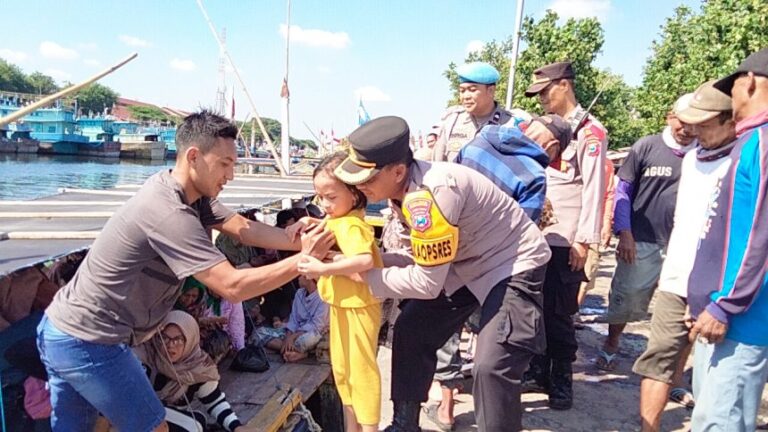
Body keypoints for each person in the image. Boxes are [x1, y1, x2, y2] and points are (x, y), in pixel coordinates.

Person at [36, 110, 334, 432]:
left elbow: (245, 228)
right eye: (225, 164)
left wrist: (302, 238)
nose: (230, 175)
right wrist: (304, 260)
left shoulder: (193, 198)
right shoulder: (168, 212)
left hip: (62, 329)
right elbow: (231, 286)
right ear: (194, 157)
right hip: (88, 338)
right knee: (154, 427)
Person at [334, 116, 552, 432]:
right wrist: (369, 260)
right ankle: (404, 424)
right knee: (411, 328)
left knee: (491, 367)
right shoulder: (401, 191)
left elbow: (426, 282)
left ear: (397, 171)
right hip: (463, 264)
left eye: (366, 179)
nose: (359, 187)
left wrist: (364, 278)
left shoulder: (431, 194)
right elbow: (417, 255)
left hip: (510, 263)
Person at [632, 80, 736, 431]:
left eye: (703, 124)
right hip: (676, 280)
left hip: (722, 288)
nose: (694, 131)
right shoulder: (691, 159)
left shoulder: (743, 162)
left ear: (730, 120)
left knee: (715, 371)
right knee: (658, 357)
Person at [686, 47, 768, 431]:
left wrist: (725, 305)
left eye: (732, 85)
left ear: (749, 82)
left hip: (742, 319)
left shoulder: (764, 143)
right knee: (709, 417)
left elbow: (760, 236)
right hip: (721, 313)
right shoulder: (750, 141)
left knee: (721, 422)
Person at [522, 60, 608, 410]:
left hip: (566, 238)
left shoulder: (589, 132)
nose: (541, 98)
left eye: (544, 91)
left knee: (559, 313)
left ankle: (561, 380)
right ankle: (538, 369)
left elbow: (594, 188)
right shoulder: (540, 127)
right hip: (536, 235)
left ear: (564, 85)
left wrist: (584, 240)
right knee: (533, 308)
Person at [598, 94, 698, 371]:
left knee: (684, 308)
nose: (688, 129)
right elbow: (624, 190)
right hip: (642, 239)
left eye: (695, 123)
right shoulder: (647, 146)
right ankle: (612, 343)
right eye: (683, 122)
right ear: (670, 117)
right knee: (626, 298)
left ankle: (675, 371)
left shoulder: (705, 152)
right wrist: (624, 231)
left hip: (686, 245)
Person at [294, 152, 384, 432]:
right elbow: (326, 224)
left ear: (355, 193)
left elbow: (364, 260)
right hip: (344, 305)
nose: (324, 204)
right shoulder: (339, 219)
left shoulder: (353, 225)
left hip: (358, 306)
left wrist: (322, 269)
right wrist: (304, 223)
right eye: (319, 197)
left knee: (361, 372)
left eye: (331, 197)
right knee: (344, 372)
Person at [134, 310, 244, 432]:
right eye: (165, 338)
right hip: (140, 418)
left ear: (191, 339)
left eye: (178, 339)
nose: (170, 345)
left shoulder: (199, 367)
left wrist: (237, 427)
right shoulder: (146, 359)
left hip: (171, 420)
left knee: (198, 421)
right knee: (193, 426)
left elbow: (215, 403)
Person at [432, 61, 529, 162]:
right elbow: (437, 166)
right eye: (462, 91)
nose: (466, 96)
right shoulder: (452, 122)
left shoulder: (511, 124)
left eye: (472, 90)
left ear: (490, 91)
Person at [251, 275, 329, 362]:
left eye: (300, 276)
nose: (298, 278)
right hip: (293, 332)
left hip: (309, 333)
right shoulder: (299, 293)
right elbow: (293, 319)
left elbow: (317, 325)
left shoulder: (323, 297)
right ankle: (294, 351)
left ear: (309, 278)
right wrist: (288, 337)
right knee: (258, 333)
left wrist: (292, 337)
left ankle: (297, 352)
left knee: (308, 339)